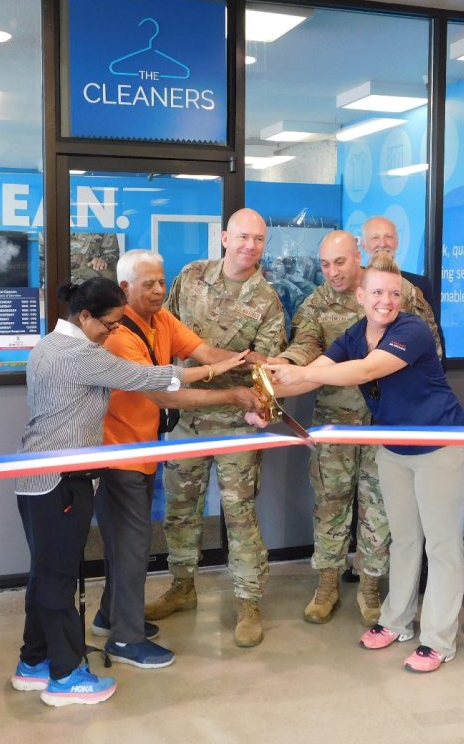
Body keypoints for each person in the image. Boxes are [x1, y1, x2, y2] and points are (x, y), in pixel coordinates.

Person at [10, 277, 248, 706]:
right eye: (109, 324)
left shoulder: (48, 345)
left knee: (45, 573)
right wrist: (217, 370)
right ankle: (65, 676)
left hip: (38, 479)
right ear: (84, 316)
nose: (113, 332)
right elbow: (154, 377)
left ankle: (34, 661)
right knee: (59, 580)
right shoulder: (80, 355)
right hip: (60, 482)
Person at [265, 254, 464, 673]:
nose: (387, 300)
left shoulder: (411, 330)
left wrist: (302, 375)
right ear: (360, 296)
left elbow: (363, 371)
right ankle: (396, 622)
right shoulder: (354, 333)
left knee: (442, 547)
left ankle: (438, 641)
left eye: (394, 293)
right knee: (403, 541)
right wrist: (279, 380)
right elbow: (320, 368)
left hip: (442, 450)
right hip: (394, 449)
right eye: (378, 292)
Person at [250, 230, 441, 627]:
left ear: (359, 256)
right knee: (331, 504)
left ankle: (370, 587)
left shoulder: (397, 293)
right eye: (324, 265)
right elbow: (308, 350)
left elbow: (431, 350)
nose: (332, 272)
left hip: (387, 424)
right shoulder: (317, 303)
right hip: (336, 423)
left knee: (379, 508)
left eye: (339, 262)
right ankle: (327, 585)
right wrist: (279, 375)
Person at [96, 249, 263, 669]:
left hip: (145, 450)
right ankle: (126, 639)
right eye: (148, 284)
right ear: (124, 289)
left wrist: (245, 361)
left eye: (161, 281)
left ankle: (109, 615)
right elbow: (164, 392)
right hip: (120, 456)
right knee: (132, 546)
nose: (158, 290)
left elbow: (202, 351)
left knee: (125, 544)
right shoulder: (119, 338)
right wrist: (231, 393)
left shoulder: (161, 321)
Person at [144, 208, 287, 648]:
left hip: (235, 423)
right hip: (186, 415)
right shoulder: (190, 277)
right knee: (180, 510)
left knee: (239, 513)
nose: (250, 246)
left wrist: (252, 392)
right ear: (225, 238)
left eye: (259, 239)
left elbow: (261, 369)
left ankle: (247, 600)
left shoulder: (269, 301)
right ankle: (183, 585)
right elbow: (162, 333)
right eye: (243, 236)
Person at [360, 215, 444, 355]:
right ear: (363, 245)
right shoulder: (356, 283)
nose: (382, 243)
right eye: (375, 238)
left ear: (397, 242)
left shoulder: (418, 285)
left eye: (388, 237)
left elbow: (435, 342)